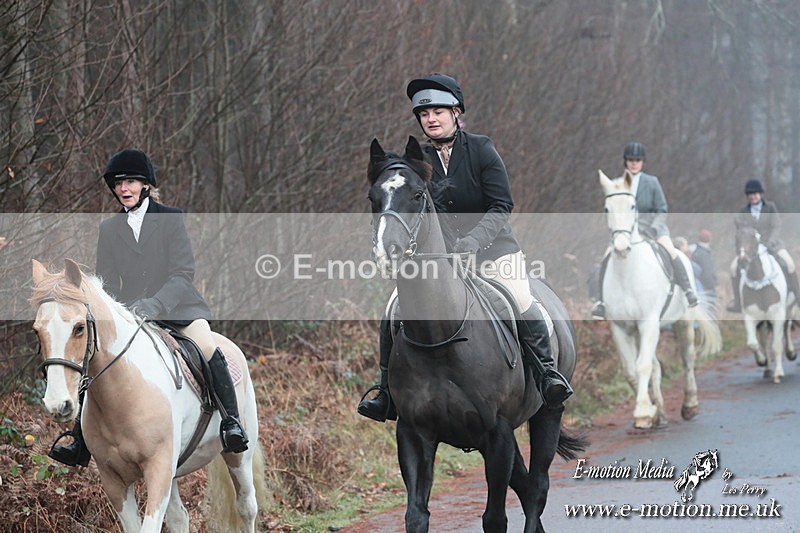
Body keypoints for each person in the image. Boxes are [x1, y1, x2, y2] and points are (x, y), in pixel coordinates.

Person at [357, 74, 572, 423]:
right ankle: (385, 391)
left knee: (519, 298)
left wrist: (472, 242)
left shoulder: (482, 149)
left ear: (457, 113)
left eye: (439, 111)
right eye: (424, 115)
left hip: (493, 251)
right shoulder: (417, 161)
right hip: (440, 261)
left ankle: (548, 375)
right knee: (394, 307)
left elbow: (501, 205)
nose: (431, 119)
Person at [48, 149, 248, 467]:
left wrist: (155, 304)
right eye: (118, 183)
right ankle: (79, 439)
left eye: (130, 181)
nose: (123, 189)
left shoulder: (171, 218)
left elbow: (183, 273)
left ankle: (231, 423)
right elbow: (107, 285)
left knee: (209, 348)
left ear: (145, 184)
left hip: (177, 309)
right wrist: (119, 312)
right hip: (131, 316)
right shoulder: (109, 230)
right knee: (94, 356)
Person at [591, 142, 698, 319]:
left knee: (672, 252)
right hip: (625, 233)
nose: (634, 163)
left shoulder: (652, 182)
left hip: (653, 230)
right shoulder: (616, 184)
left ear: (642, 162)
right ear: (625, 161)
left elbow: (662, 209)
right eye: (631, 160)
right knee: (606, 257)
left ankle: (688, 291)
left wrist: (654, 229)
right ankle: (601, 301)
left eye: (637, 160)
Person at [727, 178, 799, 312]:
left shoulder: (770, 207)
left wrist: (770, 242)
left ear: (761, 194)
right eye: (750, 194)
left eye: (755, 194)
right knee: (733, 268)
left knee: (789, 264)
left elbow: (776, 226)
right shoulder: (743, 211)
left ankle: (797, 296)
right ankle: (738, 301)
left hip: (772, 244)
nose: (752, 196)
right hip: (751, 248)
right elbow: (741, 230)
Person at [692, 229, 717, 302]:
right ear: (710, 239)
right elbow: (707, 273)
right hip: (706, 291)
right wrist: (712, 288)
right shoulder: (704, 254)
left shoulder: (696, 252)